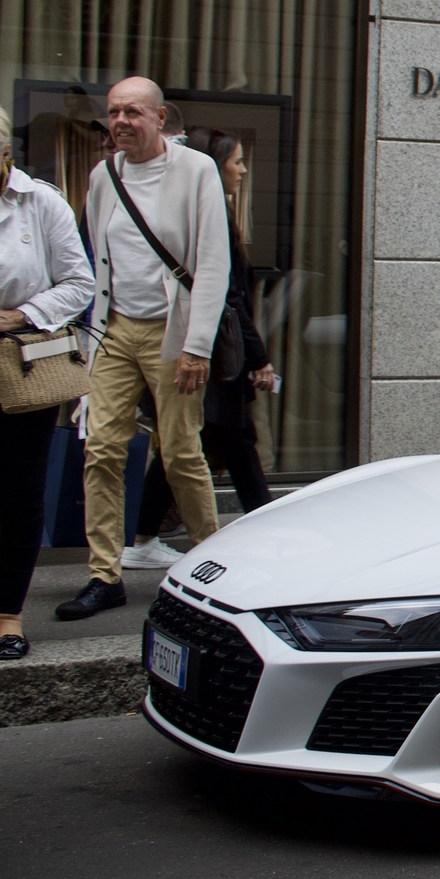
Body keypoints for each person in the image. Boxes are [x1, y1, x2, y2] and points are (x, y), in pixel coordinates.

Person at [60, 77, 232, 623]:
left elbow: (212, 263)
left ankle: (216, 562)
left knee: (180, 450)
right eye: (114, 112)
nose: (121, 121)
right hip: (115, 331)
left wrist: (197, 347)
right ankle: (102, 575)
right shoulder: (103, 176)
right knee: (102, 449)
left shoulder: (195, 171)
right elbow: (97, 261)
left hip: (172, 332)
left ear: (160, 118)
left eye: (133, 111)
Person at [123, 128, 280, 568]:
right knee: (233, 442)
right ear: (215, 167)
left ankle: (141, 537)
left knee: (191, 444)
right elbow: (229, 300)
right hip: (208, 349)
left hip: (208, 345)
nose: (243, 170)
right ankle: (262, 534)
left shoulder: (221, 216)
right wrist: (259, 357)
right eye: (237, 161)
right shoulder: (214, 222)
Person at [0, 101, 94, 659]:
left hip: (21, 368)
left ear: (5, 153)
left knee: (19, 494)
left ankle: (8, 616)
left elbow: (80, 284)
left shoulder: (40, 202)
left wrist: (19, 314)